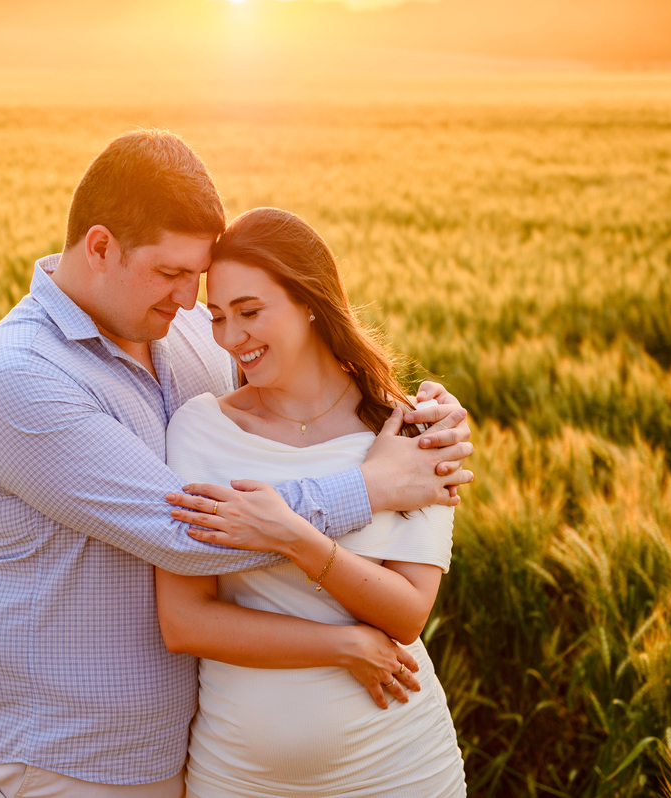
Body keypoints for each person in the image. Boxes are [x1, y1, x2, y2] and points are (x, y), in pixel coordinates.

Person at [0, 130, 473, 798]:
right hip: (73, 755)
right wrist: (370, 486)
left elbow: (296, 391)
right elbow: (184, 531)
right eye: (170, 274)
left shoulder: (187, 329)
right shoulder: (20, 377)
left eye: (195, 279)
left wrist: (430, 414)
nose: (190, 302)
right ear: (101, 248)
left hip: (191, 743)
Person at [158, 207, 466, 797]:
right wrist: (343, 646)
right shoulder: (199, 429)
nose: (230, 337)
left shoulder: (407, 429)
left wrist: (293, 536)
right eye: (217, 317)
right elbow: (184, 620)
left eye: (250, 312)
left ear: (309, 300)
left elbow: (406, 615)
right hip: (238, 776)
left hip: (399, 770)